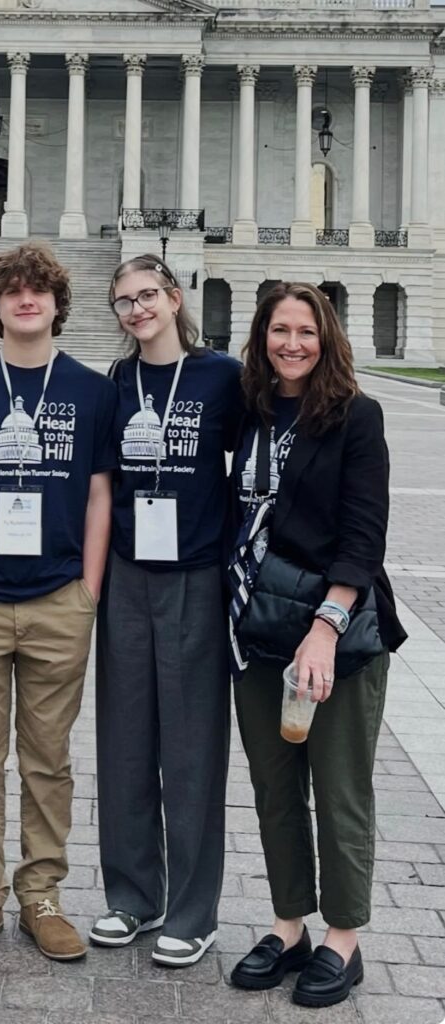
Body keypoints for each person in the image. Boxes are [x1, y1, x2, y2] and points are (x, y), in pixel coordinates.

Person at [0, 242, 116, 962]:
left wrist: (88, 589)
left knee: (47, 758)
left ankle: (41, 894)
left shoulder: (92, 390)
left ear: (56, 303)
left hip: (57, 597)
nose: (26, 300)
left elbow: (100, 492)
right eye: (13, 291)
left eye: (38, 290)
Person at [227, 282, 406, 1007]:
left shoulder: (354, 417)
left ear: (325, 337)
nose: (291, 343)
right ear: (261, 337)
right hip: (255, 628)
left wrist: (323, 632)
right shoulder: (248, 411)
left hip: (333, 635)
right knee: (273, 788)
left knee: (337, 790)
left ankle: (342, 938)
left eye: (304, 331)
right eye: (278, 330)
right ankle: (287, 925)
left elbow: (363, 537)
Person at [89, 255, 242, 966]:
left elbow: (261, 461)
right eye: (123, 301)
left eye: (146, 295)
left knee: (189, 750)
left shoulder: (222, 378)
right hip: (126, 573)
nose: (136, 309)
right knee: (122, 744)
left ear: (173, 297)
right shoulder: (116, 383)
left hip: (194, 576)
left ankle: (191, 909)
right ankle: (131, 897)